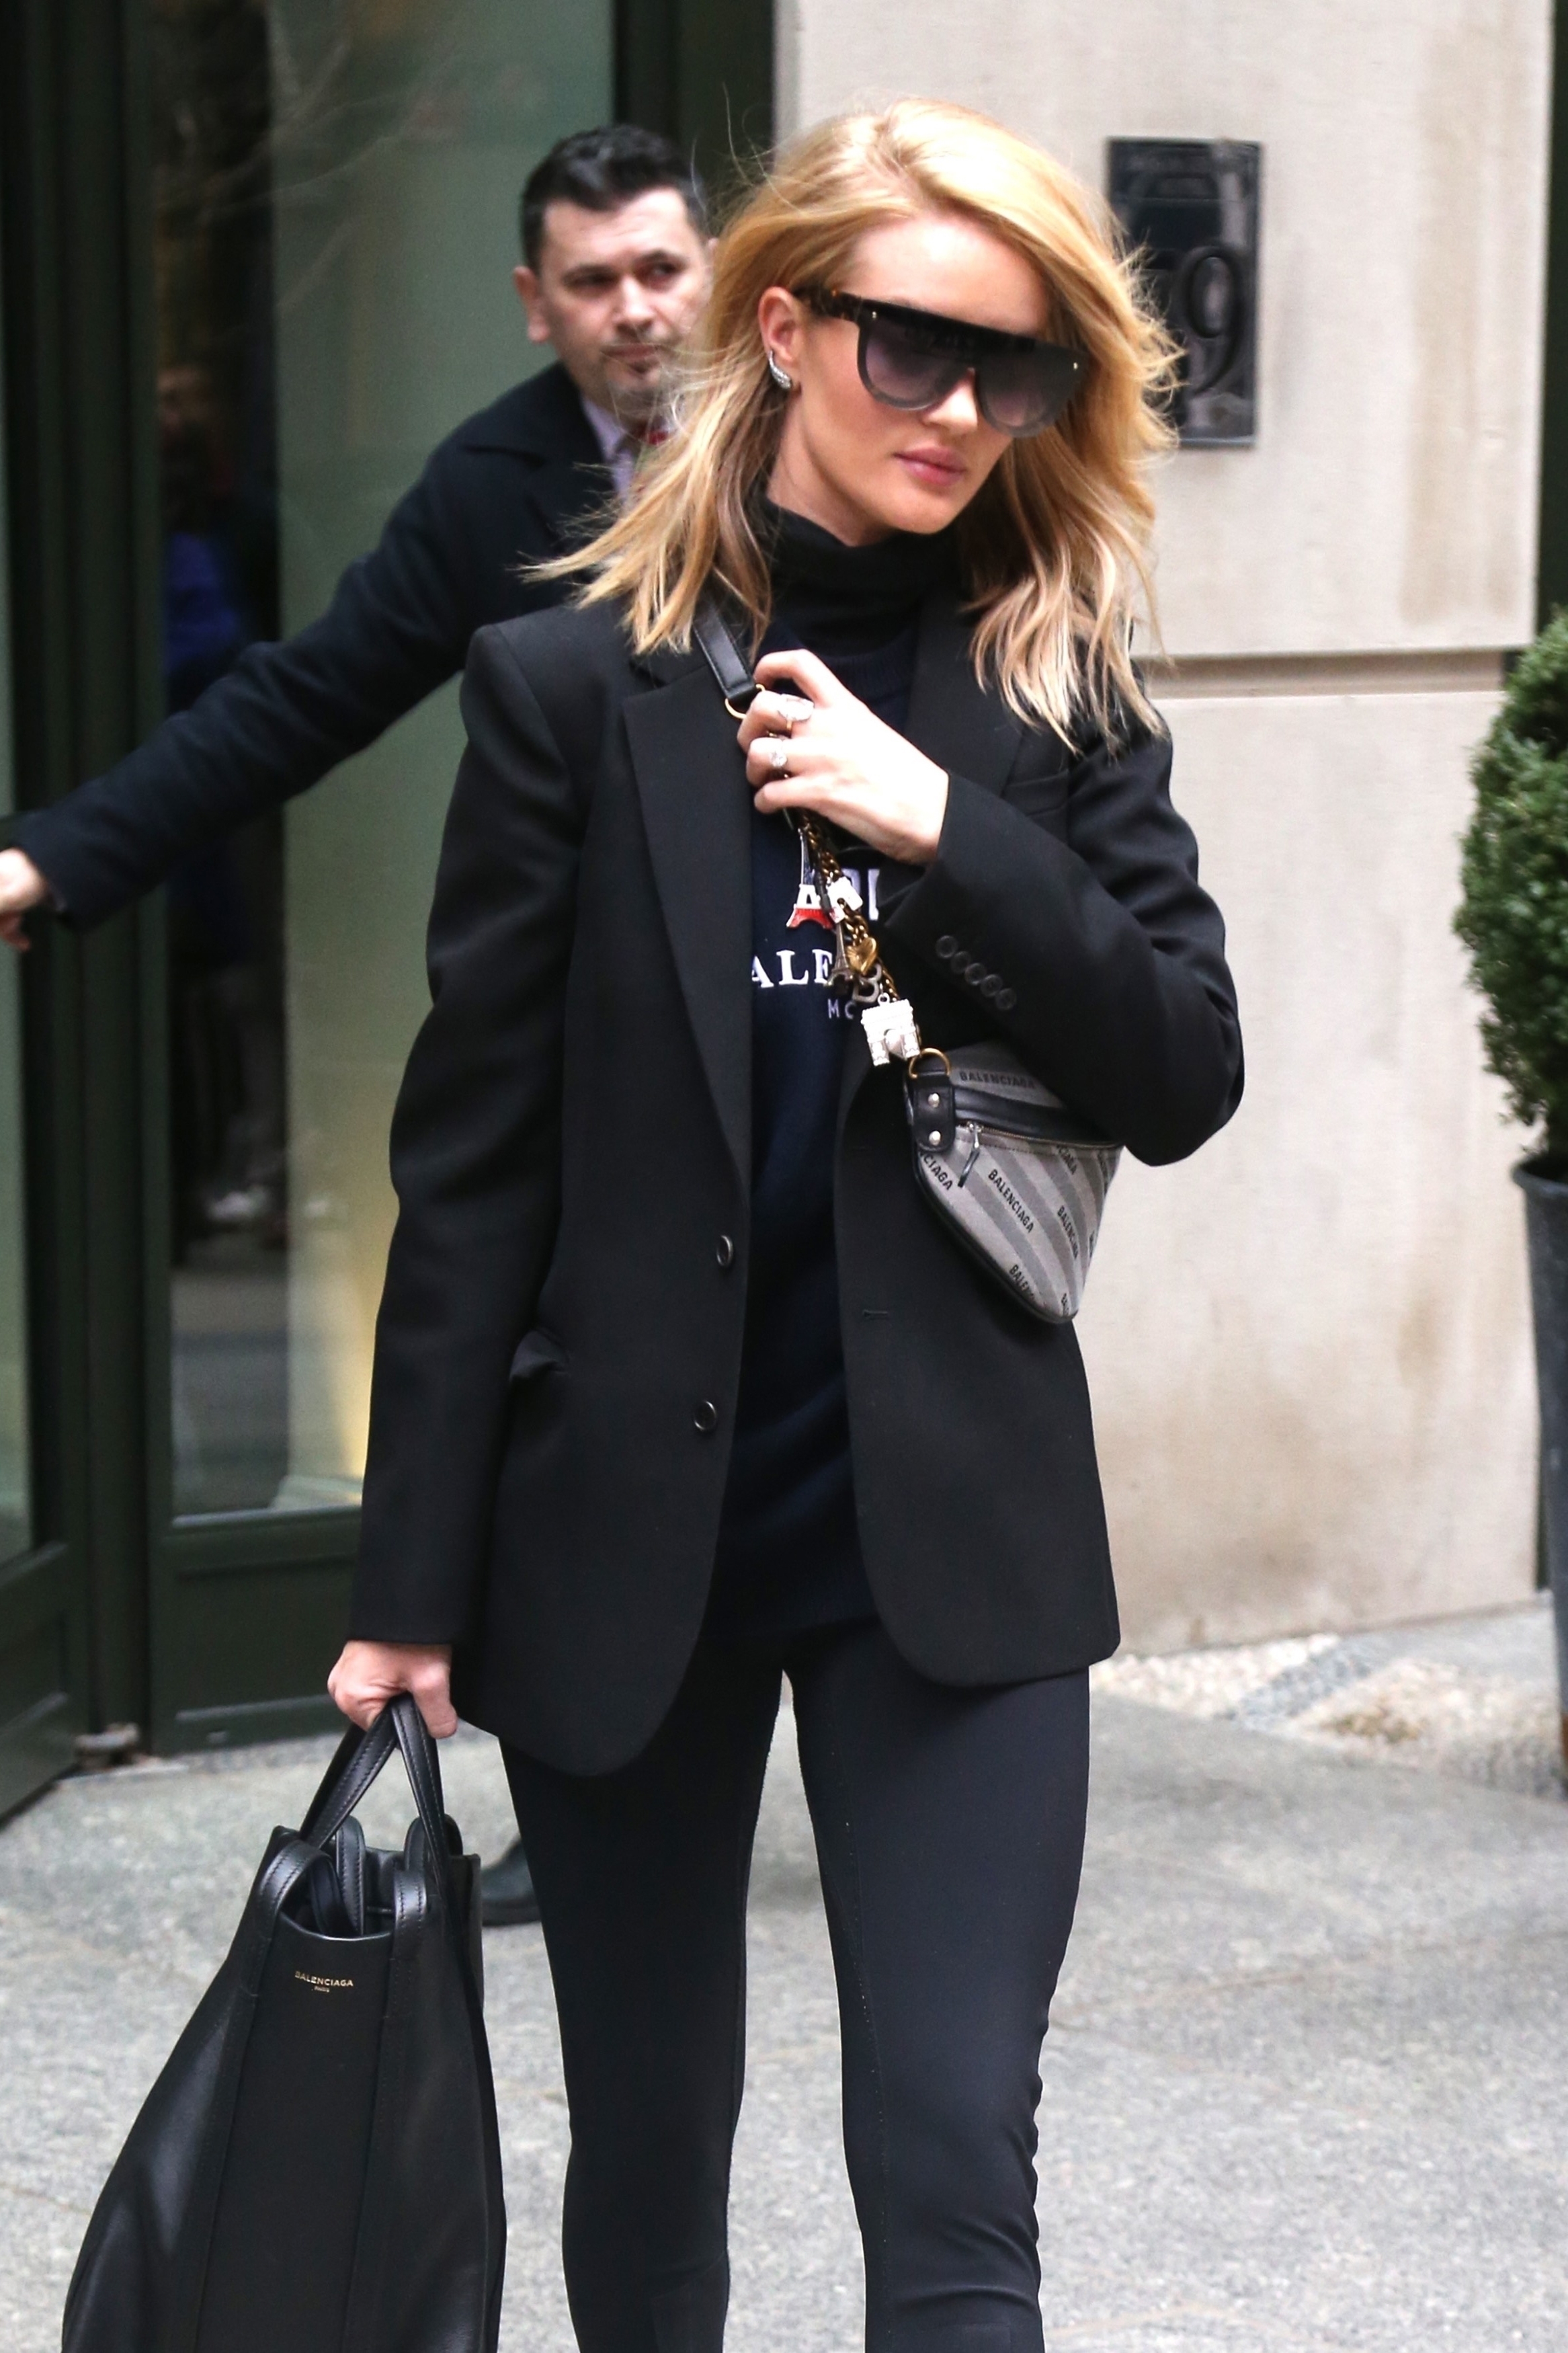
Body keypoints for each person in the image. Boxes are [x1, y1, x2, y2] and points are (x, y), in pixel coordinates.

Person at [331, 94, 1243, 2350]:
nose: (962, 410)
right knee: (649, 2162)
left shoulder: (1047, 683)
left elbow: (1184, 1067)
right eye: (913, 345)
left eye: (1017, 367)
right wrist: (406, 1585)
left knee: (954, 2165)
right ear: (785, 327)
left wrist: (946, 830)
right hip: (624, 1535)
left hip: (950, 1534)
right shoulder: (572, 688)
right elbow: (475, 1165)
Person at [0, 122, 714, 1927]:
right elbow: (302, 696)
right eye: (596, 281)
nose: (637, 309)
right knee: (586, 1391)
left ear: (718, 273)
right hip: (604, 1020)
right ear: (535, 303)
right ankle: (603, 1777)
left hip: (791, 1000)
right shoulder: (492, 486)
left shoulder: (810, 439)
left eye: (663, 268)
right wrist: (60, 855)